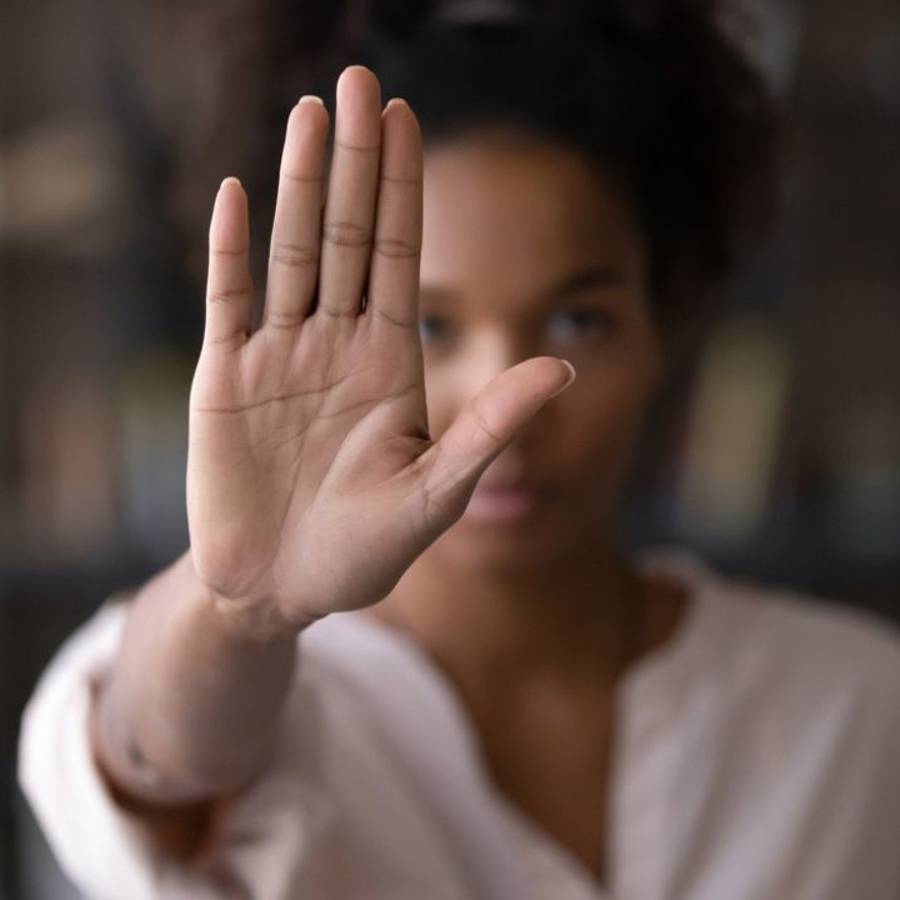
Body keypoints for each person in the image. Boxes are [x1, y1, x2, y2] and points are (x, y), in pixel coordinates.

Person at [18, 3, 900, 898]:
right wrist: (235, 609)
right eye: (430, 326)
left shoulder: (852, 711)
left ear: (663, 327)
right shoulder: (239, 677)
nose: (501, 407)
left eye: (576, 320)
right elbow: (153, 759)